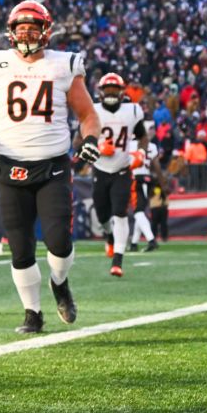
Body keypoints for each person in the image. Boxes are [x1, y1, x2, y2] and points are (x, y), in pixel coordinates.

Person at [0, 0, 102, 333]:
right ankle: (32, 312)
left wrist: (91, 140)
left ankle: (59, 282)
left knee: (59, 242)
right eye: (21, 29)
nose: (26, 34)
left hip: (52, 165)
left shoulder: (64, 64)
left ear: (46, 31)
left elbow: (88, 115)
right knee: (20, 246)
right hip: (9, 165)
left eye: (33, 28)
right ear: (11, 32)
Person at [88, 73, 148, 277]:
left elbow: (142, 136)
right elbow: (80, 140)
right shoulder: (93, 111)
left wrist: (141, 152)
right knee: (103, 214)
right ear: (101, 92)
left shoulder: (132, 110)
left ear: (122, 92)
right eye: (108, 90)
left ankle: (118, 260)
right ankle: (109, 236)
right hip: (100, 168)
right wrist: (97, 147)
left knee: (120, 213)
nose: (111, 93)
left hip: (122, 170)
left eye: (115, 90)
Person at [128, 144, 161, 252]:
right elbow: (154, 163)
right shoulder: (152, 146)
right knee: (140, 212)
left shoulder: (130, 143)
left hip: (136, 178)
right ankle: (134, 243)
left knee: (138, 212)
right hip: (147, 178)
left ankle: (151, 240)